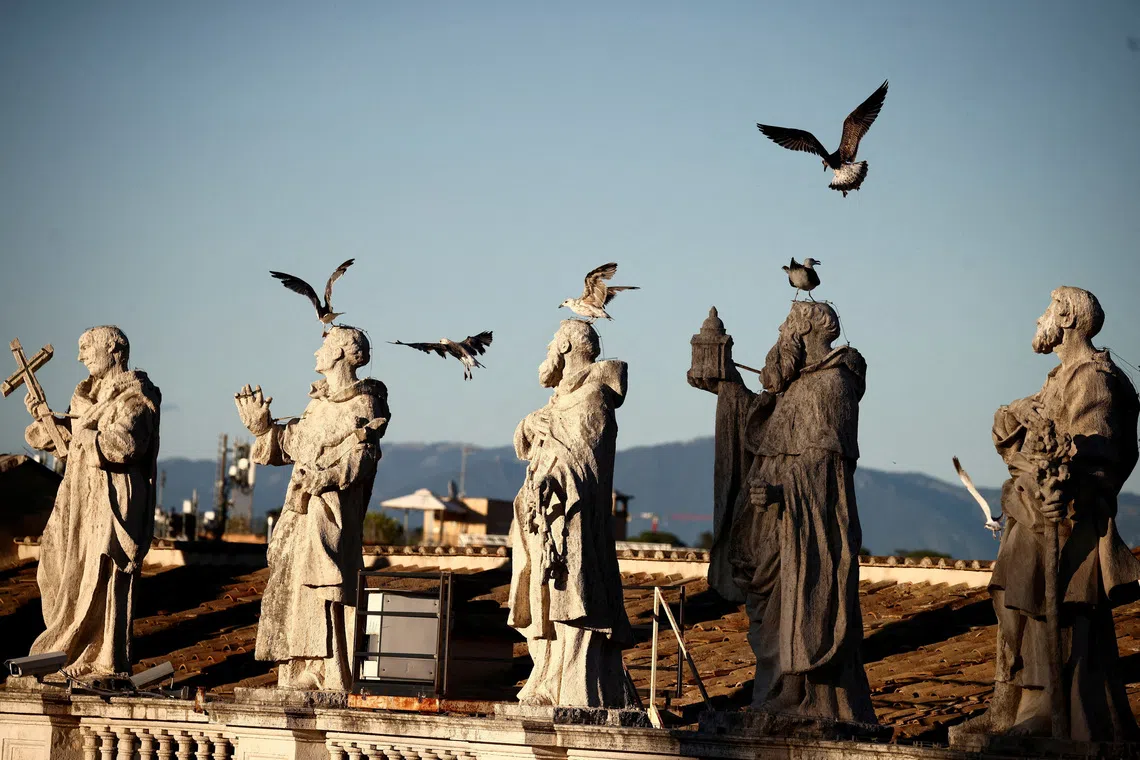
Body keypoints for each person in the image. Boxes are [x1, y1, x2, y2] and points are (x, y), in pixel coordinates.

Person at [951, 287, 1140, 742]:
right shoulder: (1060, 378)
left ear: (1068, 320)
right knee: (1011, 596)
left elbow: (1100, 448)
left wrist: (1066, 483)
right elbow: (1015, 427)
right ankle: (1008, 704)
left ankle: (1043, 709)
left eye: (1046, 312)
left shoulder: (1093, 378)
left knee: (1043, 603)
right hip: (1032, 511)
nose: (1039, 320)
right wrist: (1017, 416)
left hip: (1065, 517)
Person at [691, 302, 876, 723]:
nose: (780, 329)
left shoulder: (833, 385)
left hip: (803, 523)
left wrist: (782, 490)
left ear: (805, 329)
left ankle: (798, 695)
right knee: (769, 607)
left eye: (787, 324)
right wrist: (729, 386)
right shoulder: (795, 386)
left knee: (798, 601)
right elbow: (761, 424)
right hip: (770, 521)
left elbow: (827, 470)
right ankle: (773, 690)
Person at [235, 326, 389, 690]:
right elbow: (292, 446)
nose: (316, 351)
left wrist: (327, 477)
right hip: (299, 511)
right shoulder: (317, 404)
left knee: (324, 584)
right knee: (293, 583)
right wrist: (263, 430)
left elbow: (363, 455)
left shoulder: (364, 403)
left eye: (323, 344)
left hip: (329, 510)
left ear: (339, 353)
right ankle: (298, 664)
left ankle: (325, 670)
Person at [22, 326, 161, 677]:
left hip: (113, 497)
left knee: (103, 572)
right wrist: (46, 421)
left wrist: (83, 431)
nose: (80, 356)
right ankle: (65, 647)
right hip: (78, 497)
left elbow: (125, 445)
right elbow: (68, 442)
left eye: (86, 348)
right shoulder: (86, 396)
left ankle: (102, 657)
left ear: (113, 350)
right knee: (53, 565)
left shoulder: (137, 396)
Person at [507, 319, 632, 707]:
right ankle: (544, 673)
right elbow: (524, 444)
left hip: (571, 517)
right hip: (540, 516)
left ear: (564, 349)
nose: (547, 352)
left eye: (550, 345)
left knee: (570, 596)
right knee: (539, 596)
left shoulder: (593, 397)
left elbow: (585, 459)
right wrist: (533, 424)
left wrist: (552, 471)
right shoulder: (559, 400)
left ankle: (571, 683)